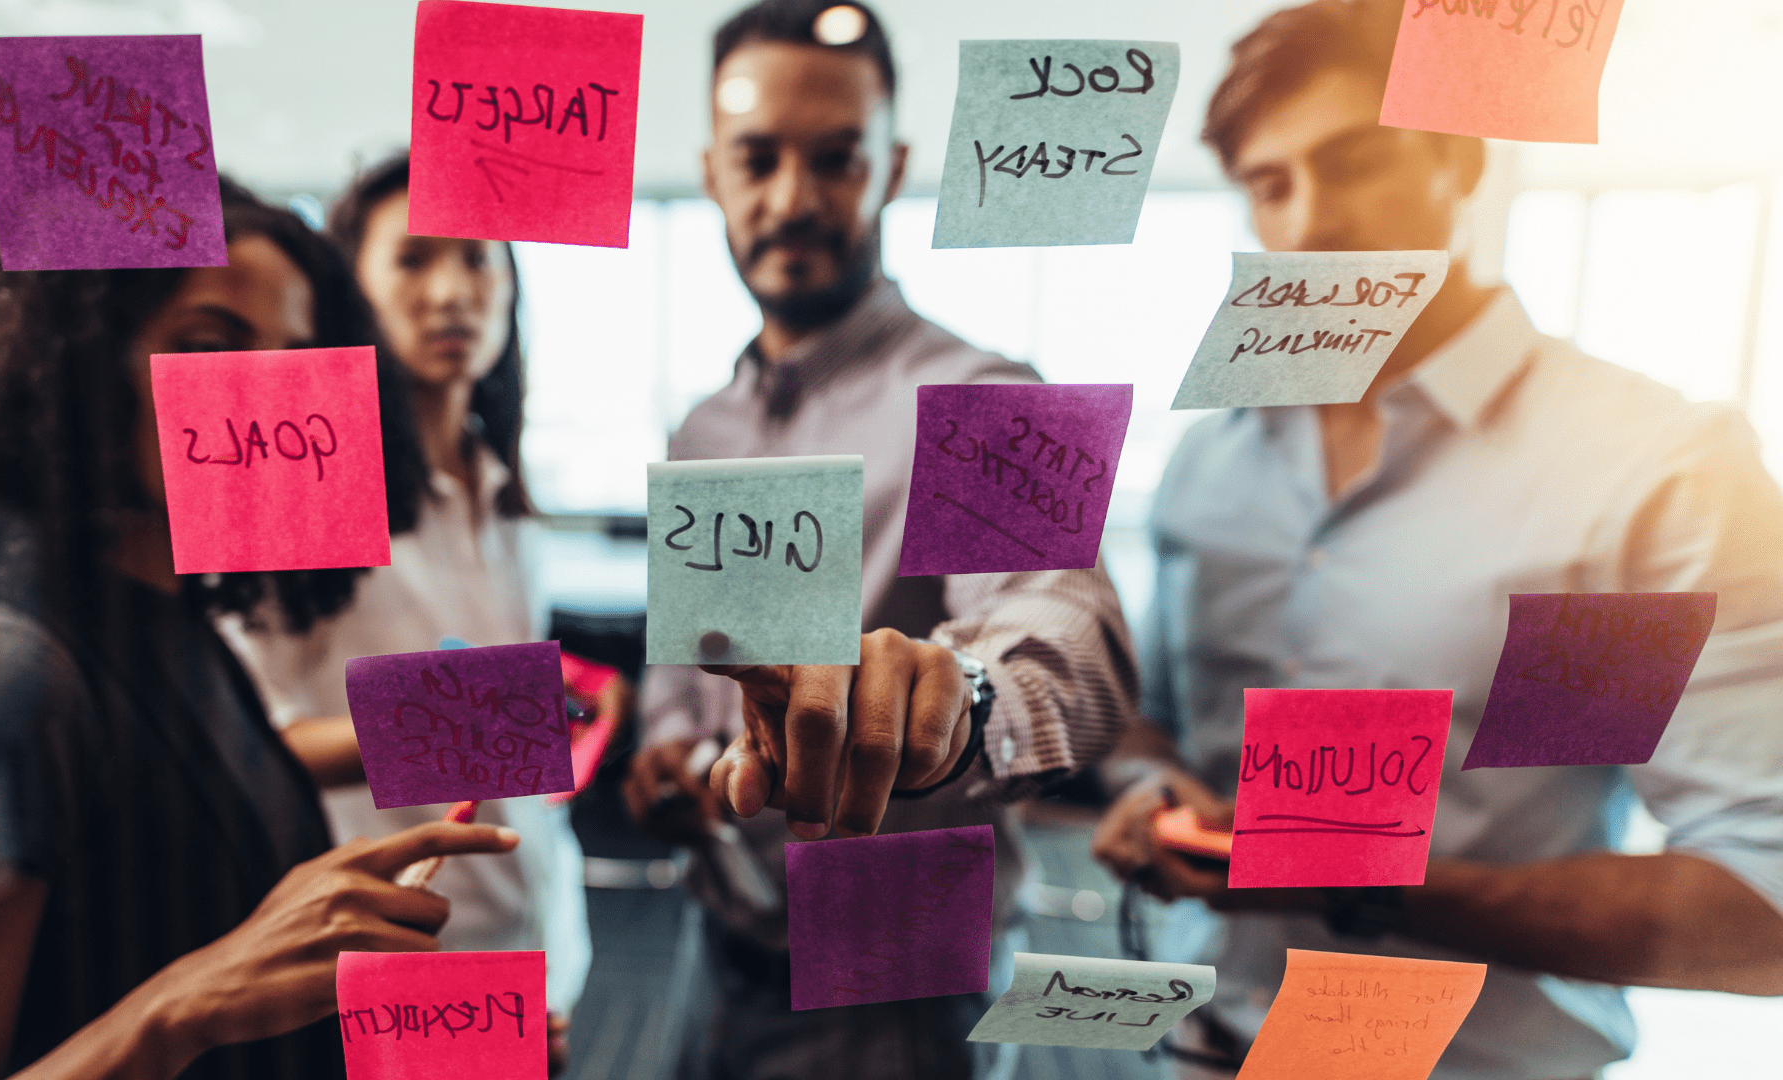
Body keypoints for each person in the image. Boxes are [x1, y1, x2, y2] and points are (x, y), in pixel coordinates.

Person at [1089, 2, 1783, 1077]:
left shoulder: (1644, 475)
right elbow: (1160, 732)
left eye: (1354, 161)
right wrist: (1149, 791)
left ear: (1459, 159)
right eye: (1270, 185)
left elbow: (1758, 912)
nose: (1309, 222)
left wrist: (1343, 877)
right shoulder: (1210, 468)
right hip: (1201, 1054)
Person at [0, 178, 517, 1080]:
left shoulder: (182, 624)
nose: (267, 394)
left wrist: (415, 1038)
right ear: (78, 367)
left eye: (294, 355)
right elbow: (200, 988)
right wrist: (184, 1006)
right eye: (208, 346)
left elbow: (210, 955)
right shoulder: (5, 677)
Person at [620, 3, 1140, 1077]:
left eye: (837, 158)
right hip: (715, 956)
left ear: (893, 166)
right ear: (710, 170)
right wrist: (668, 745)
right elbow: (692, 669)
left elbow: (1070, 625)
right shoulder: (702, 426)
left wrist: (963, 700)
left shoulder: (986, 397)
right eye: (758, 159)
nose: (794, 199)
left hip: (899, 998)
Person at [216, 152, 599, 1074]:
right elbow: (239, 744)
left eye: (476, 261)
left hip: (540, 944)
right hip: (393, 977)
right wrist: (463, 719)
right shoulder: (300, 492)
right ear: (355, 290)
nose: (450, 293)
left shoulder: (502, 489)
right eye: (415, 260)